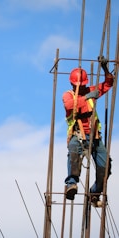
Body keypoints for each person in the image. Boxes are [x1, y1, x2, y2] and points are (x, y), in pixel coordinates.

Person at [62, 57, 114, 206]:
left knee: (105, 168)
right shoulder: (68, 95)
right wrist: (86, 97)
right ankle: (71, 184)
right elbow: (69, 106)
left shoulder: (90, 91)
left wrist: (105, 69)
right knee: (73, 155)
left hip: (95, 137)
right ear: (72, 84)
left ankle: (95, 193)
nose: (81, 87)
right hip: (78, 136)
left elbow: (108, 84)